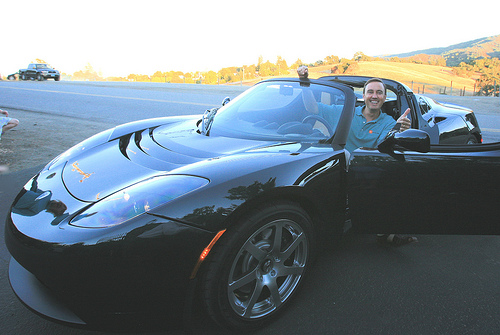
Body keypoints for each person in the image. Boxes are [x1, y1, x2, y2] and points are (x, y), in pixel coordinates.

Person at [298, 66, 417, 246]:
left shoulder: (388, 122)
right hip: (335, 167)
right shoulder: (345, 111)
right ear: (363, 96)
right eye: (370, 92)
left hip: (365, 170)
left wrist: (398, 129)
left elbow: (384, 146)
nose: (374, 96)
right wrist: (304, 81)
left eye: (379, 93)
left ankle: (384, 231)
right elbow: (313, 108)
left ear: (385, 98)